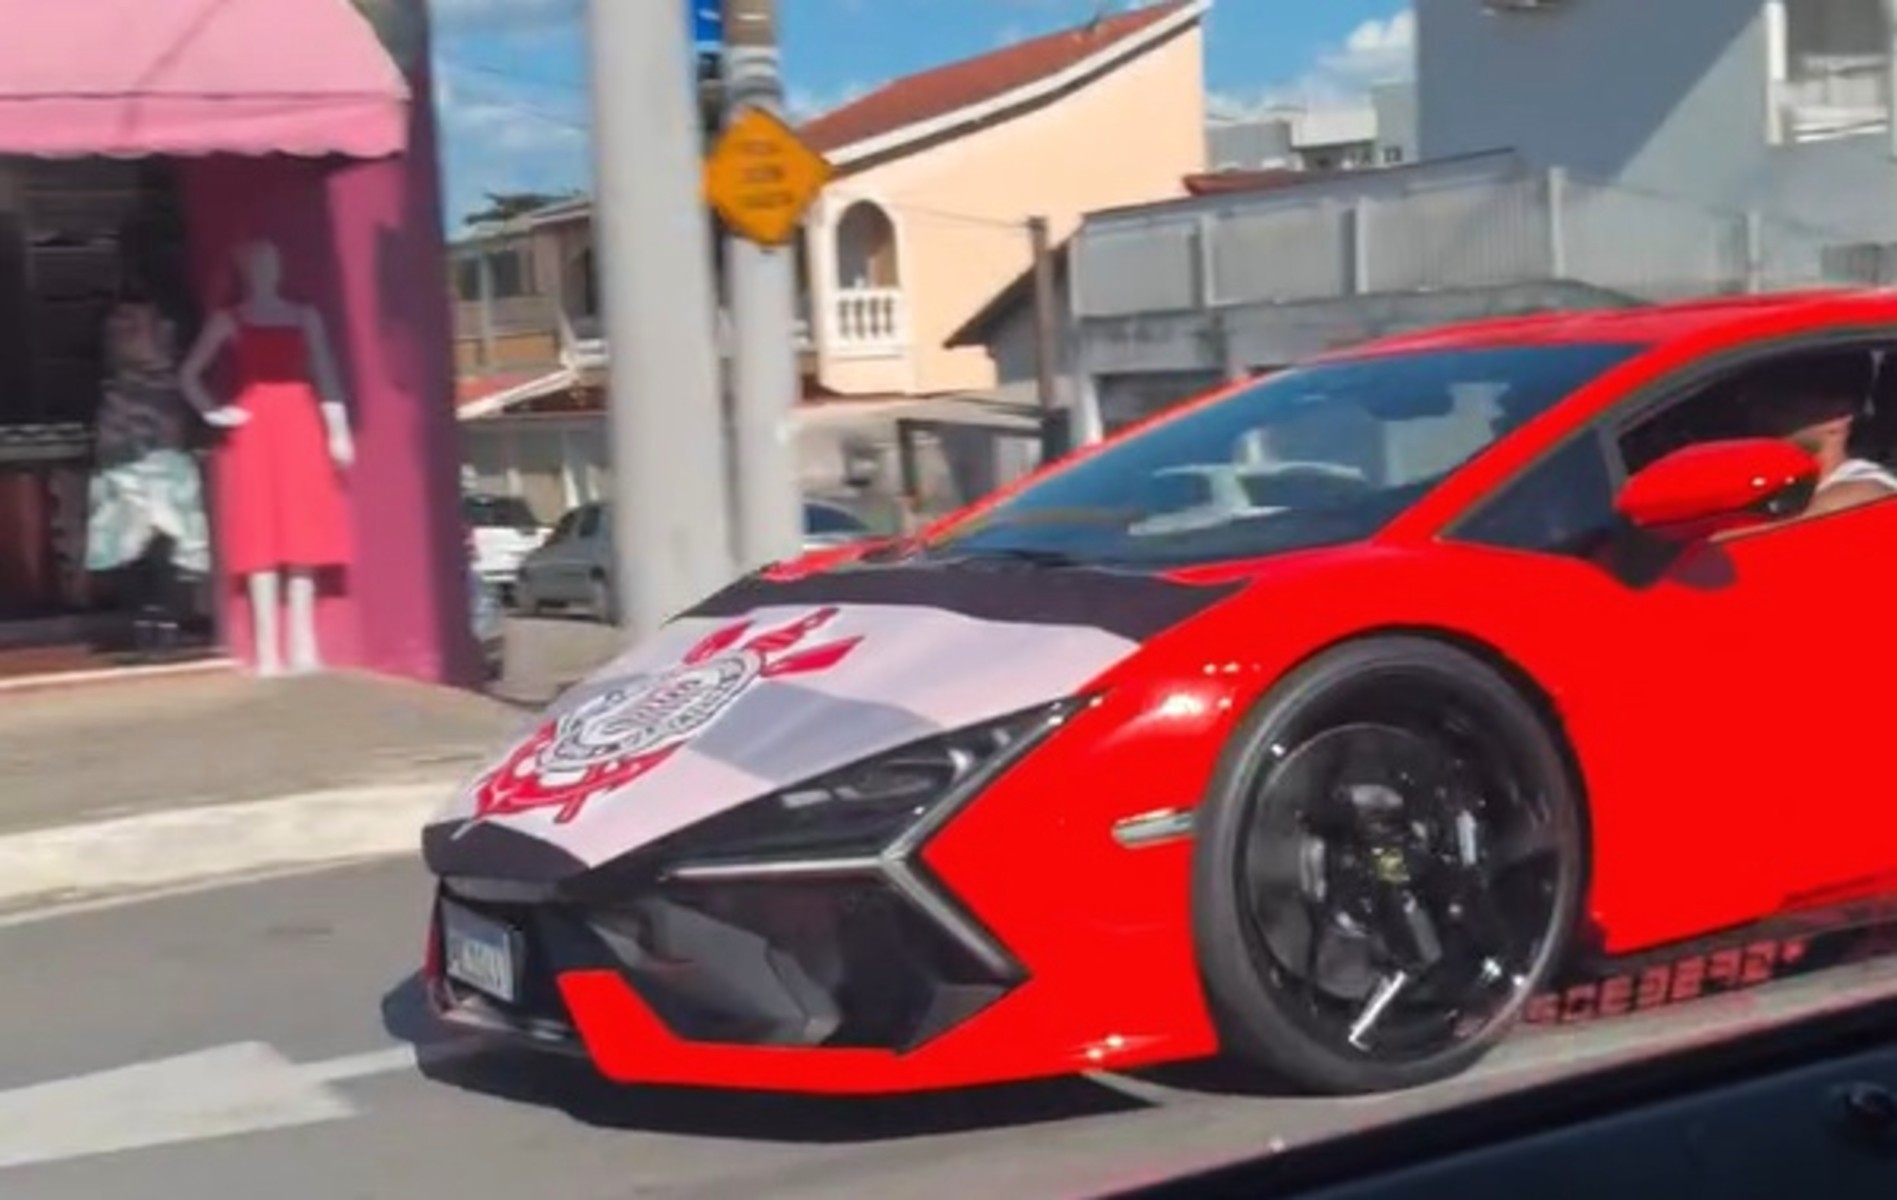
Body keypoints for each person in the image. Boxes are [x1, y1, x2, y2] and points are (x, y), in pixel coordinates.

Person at [1742, 355, 1897, 519]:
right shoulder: (1782, 490)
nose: (1759, 409)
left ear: (1840, 415)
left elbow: (1770, 538)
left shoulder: (1863, 492)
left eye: (1785, 395)